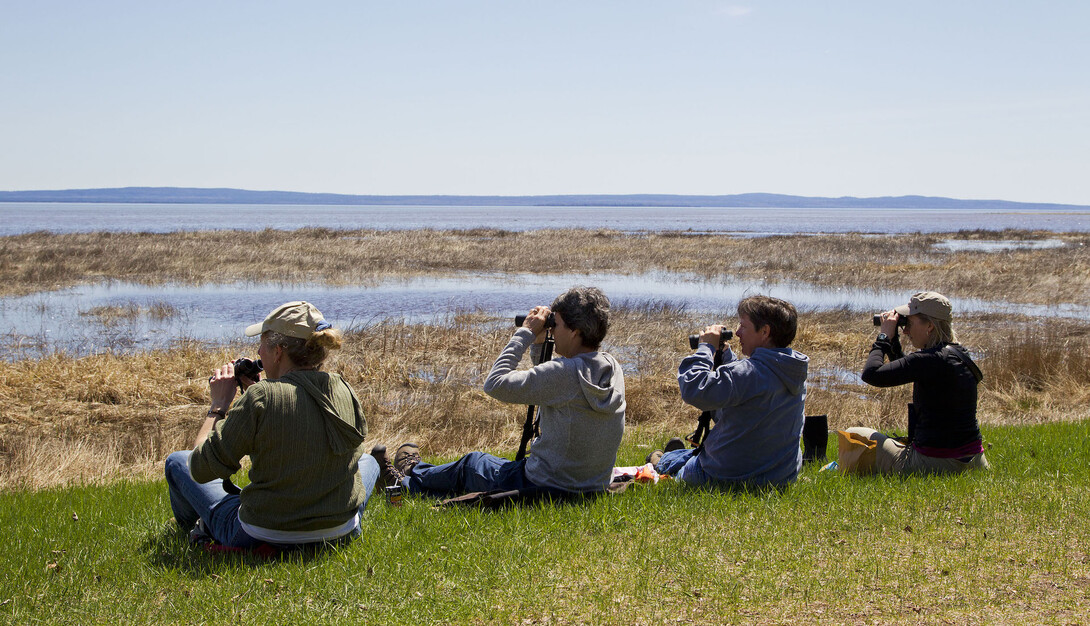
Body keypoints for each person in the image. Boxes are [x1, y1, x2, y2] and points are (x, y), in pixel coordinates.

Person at [376, 286, 625, 498]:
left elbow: (494, 383)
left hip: (547, 483)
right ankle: (415, 472)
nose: (551, 330)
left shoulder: (564, 373)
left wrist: (525, 333)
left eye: (555, 324)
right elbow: (552, 386)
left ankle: (406, 479)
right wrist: (540, 345)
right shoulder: (611, 368)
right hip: (590, 484)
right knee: (481, 465)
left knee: (472, 464)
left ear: (575, 331)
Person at [164, 301, 378, 548]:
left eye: (262, 345)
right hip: (339, 532)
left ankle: (195, 526)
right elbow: (301, 407)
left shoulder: (261, 398)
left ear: (278, 351)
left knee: (178, 461)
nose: (258, 353)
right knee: (368, 461)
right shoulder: (342, 387)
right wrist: (258, 394)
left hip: (262, 535)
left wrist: (219, 406)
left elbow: (199, 468)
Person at [652, 295, 809, 489]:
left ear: (765, 331)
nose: (737, 332)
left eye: (744, 326)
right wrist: (725, 355)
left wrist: (706, 349)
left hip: (728, 476)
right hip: (779, 477)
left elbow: (694, 388)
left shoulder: (749, 373)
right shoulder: (792, 370)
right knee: (686, 456)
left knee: (676, 461)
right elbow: (748, 384)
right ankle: (671, 457)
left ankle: (659, 461)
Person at [848, 291, 989, 474]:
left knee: (855, 434)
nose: (905, 331)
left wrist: (883, 338)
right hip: (975, 461)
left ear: (929, 326)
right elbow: (909, 370)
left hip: (934, 462)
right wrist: (894, 342)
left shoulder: (928, 360)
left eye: (910, 323)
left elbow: (871, 374)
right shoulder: (959, 355)